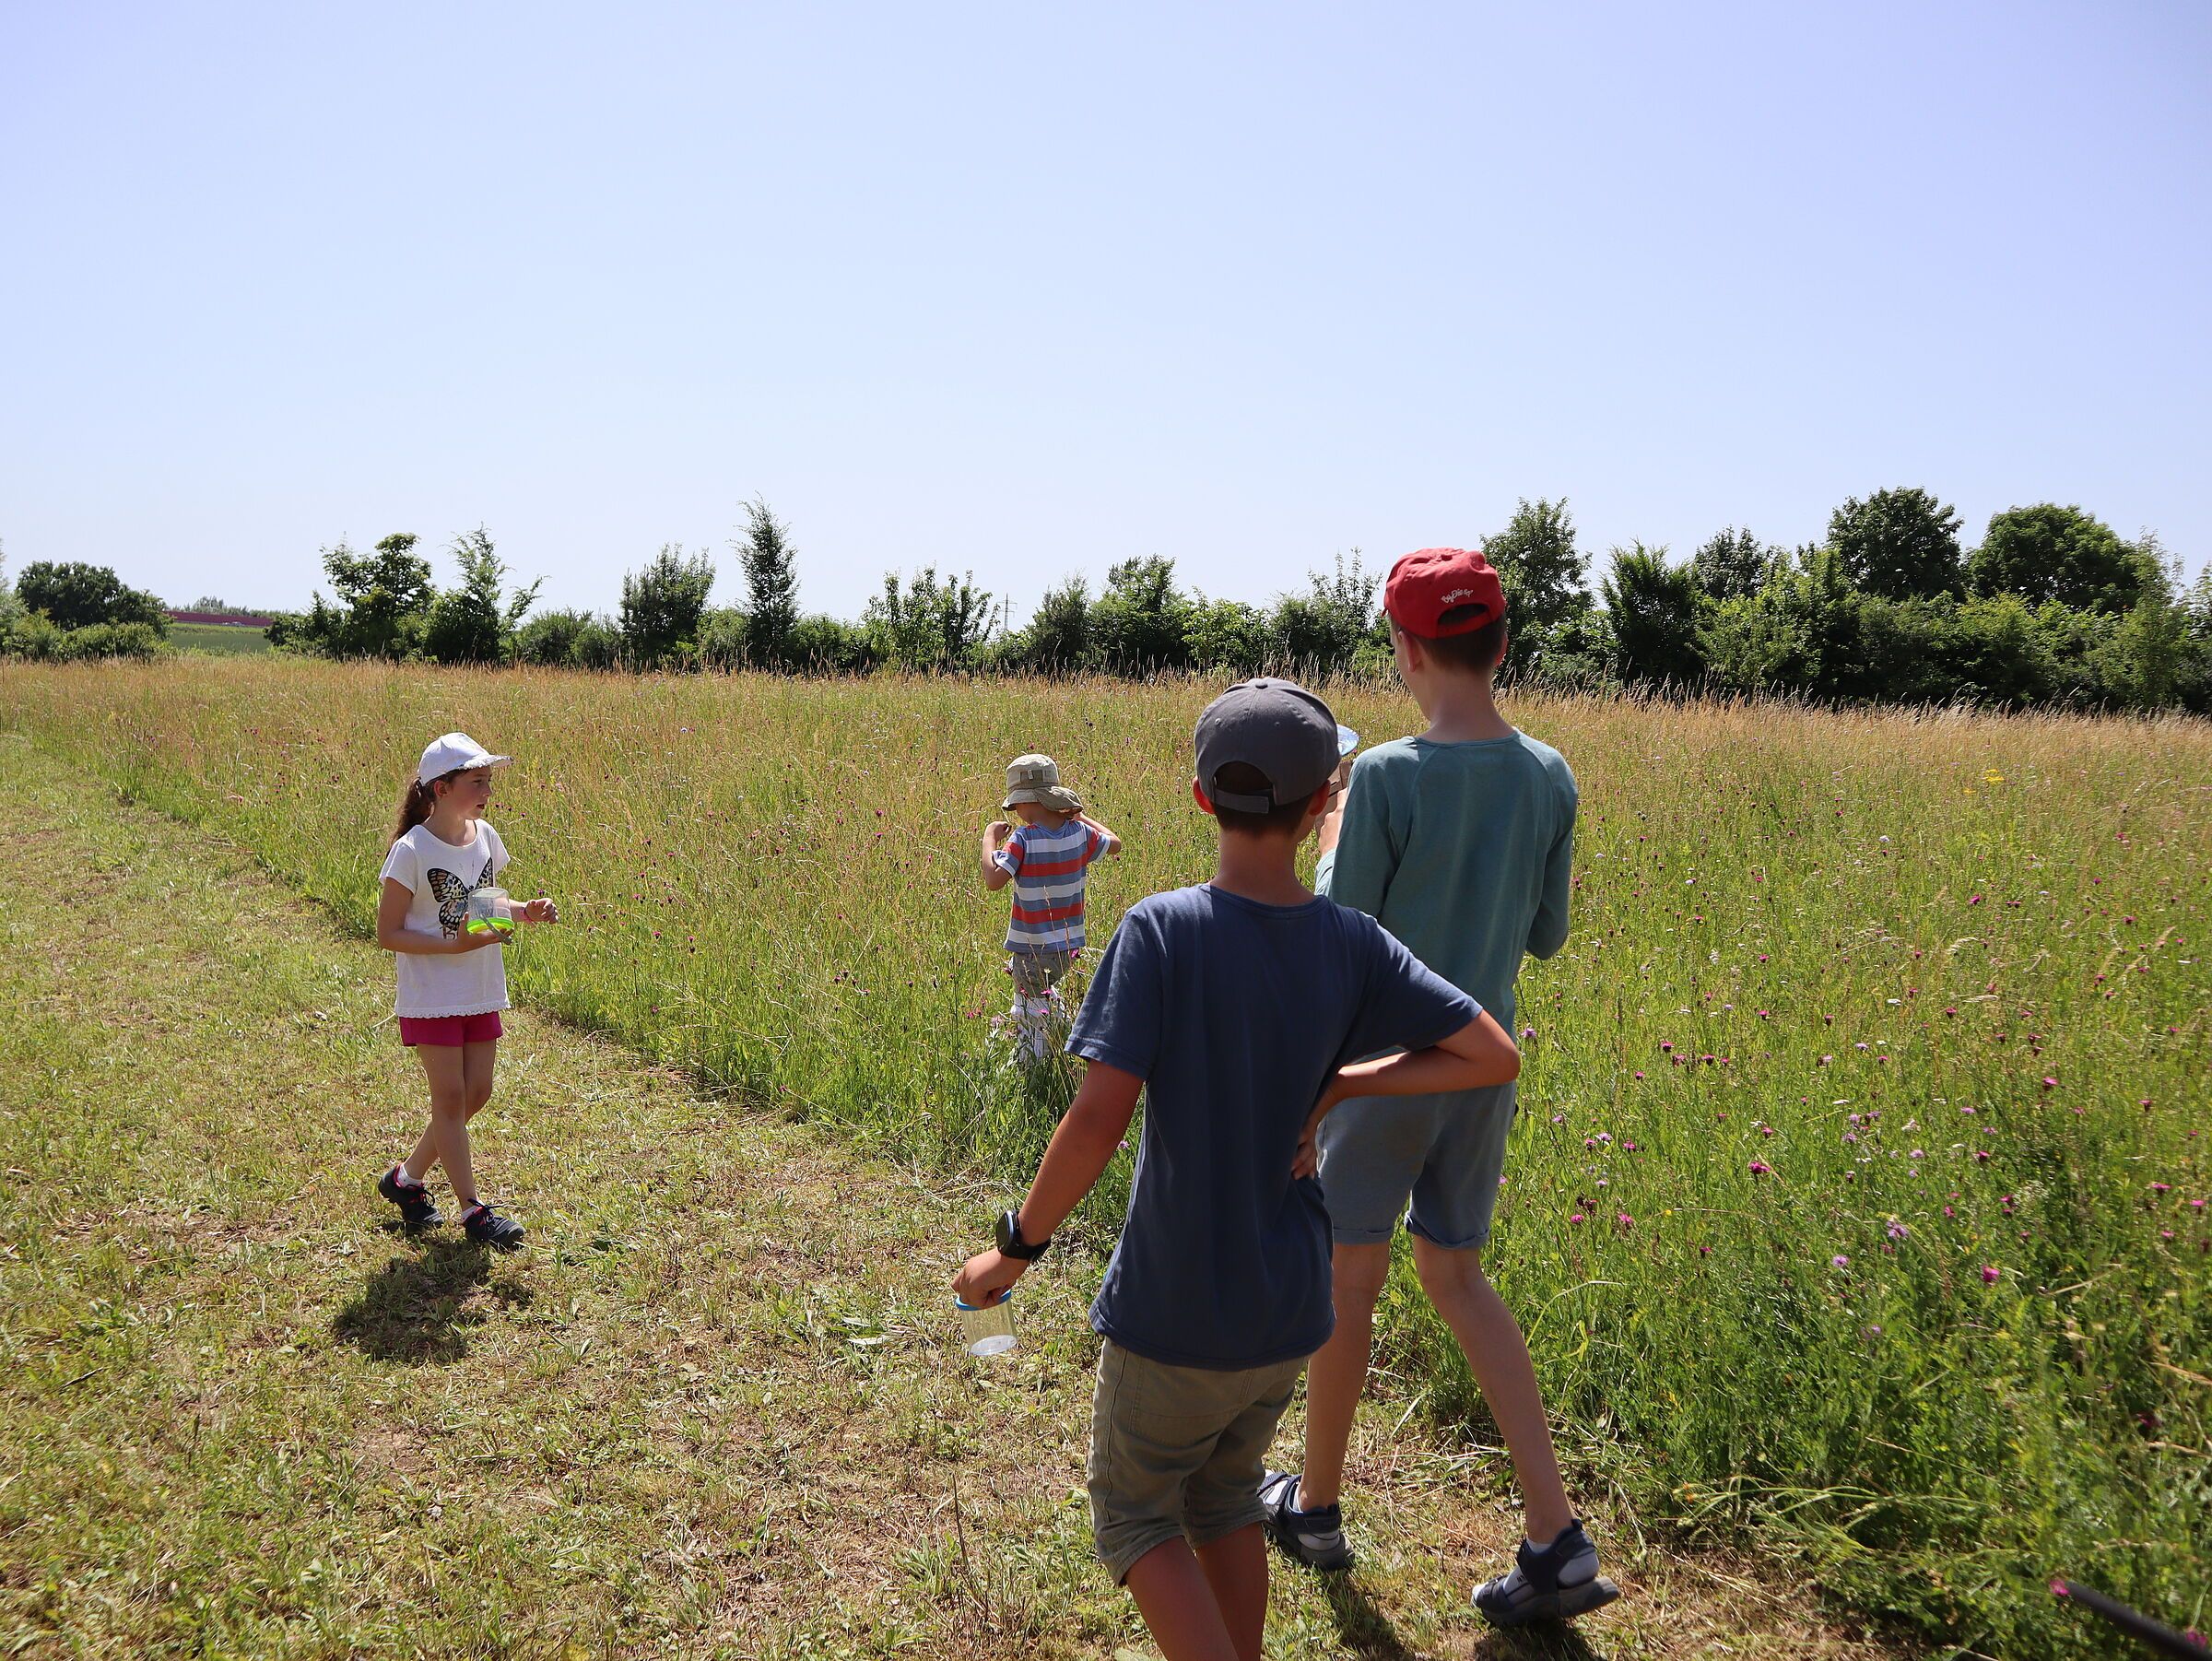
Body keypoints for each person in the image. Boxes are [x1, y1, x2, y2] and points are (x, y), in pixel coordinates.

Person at [954, 680, 1521, 1661]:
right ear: (1322, 803)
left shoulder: (1162, 929)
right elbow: (1490, 1052)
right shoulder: (1353, 938)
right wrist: (1340, 1082)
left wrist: (1015, 1248)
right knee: (1223, 1498)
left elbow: (1095, 1119)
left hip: (1176, 1306)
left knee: (1135, 1516)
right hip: (1288, 1305)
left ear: (1201, 797)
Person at [1259, 548, 1617, 1626]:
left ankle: (1314, 1506)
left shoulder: (1385, 777)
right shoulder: (1550, 772)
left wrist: (1328, 833)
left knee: (1347, 1281)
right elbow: (1545, 935)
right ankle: (1555, 1536)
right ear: (1502, 644)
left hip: (1383, 1073)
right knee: (1459, 1279)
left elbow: (1338, 931)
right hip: (1484, 1066)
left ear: (1406, 650)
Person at [372, 733, 558, 1248]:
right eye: (476, 781)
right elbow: (388, 932)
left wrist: (523, 911)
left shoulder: (484, 837)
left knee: (476, 1093)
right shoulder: (410, 851)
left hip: (480, 984)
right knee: (450, 1099)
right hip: (433, 993)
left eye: (488, 780)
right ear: (440, 787)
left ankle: (405, 1181)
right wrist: (451, 947)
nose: (486, 790)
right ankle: (473, 1211)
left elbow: (483, 905)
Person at [981, 752, 1121, 1063]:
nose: (1015, 812)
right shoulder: (1081, 834)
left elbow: (993, 879)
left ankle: (1032, 1063)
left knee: (1027, 1006)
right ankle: (1063, 1026)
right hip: (1068, 948)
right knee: (1045, 989)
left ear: (1028, 804)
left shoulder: (1023, 839)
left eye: (1015, 805)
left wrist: (989, 838)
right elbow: (1115, 842)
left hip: (1031, 948)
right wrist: (1079, 817)